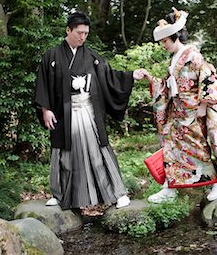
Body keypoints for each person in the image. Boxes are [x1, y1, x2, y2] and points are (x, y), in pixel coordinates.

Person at [33, 11, 141, 210]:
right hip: (64, 113)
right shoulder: (52, 55)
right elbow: (44, 84)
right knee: (63, 155)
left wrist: (131, 75)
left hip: (89, 112)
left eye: (86, 33)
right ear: (68, 30)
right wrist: (45, 109)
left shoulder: (91, 56)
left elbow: (109, 75)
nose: (83, 37)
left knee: (98, 153)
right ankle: (59, 195)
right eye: (79, 33)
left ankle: (118, 194)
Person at [134, 8, 217, 203]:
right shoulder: (176, 59)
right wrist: (151, 79)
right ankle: (170, 187)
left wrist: (204, 103)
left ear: (175, 36)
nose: (163, 45)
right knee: (171, 146)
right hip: (178, 110)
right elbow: (167, 86)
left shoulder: (193, 56)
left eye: (165, 41)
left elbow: (209, 76)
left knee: (198, 148)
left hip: (193, 109)